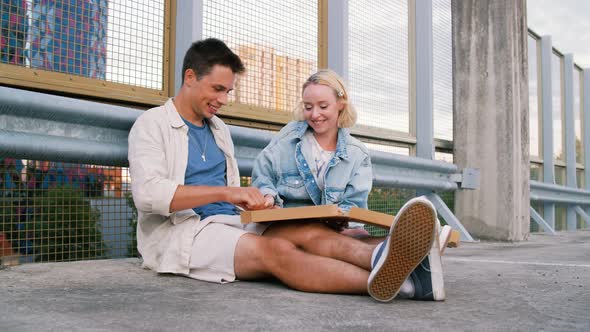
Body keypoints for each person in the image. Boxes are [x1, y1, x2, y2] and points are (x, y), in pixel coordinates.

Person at [128, 38, 442, 302]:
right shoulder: (152, 124)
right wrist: (229, 191)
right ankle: (408, 285)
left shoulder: (218, 129)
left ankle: (383, 257)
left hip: (228, 220)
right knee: (276, 250)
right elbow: (148, 195)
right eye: (218, 89)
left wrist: (256, 200)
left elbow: (234, 195)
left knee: (309, 232)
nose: (223, 99)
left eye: (228, 92)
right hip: (182, 233)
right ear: (190, 77)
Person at [251, 69, 447, 300]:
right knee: (325, 237)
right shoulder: (287, 140)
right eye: (308, 106)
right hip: (283, 229)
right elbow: (263, 178)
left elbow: (354, 206)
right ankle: (410, 262)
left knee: (355, 236)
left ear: (341, 104)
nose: (314, 114)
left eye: (323, 106)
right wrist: (268, 198)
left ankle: (411, 274)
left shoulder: (357, 154)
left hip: (329, 232)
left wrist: (349, 221)